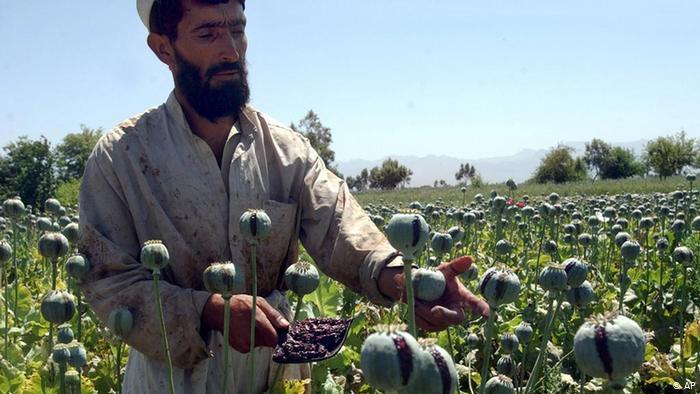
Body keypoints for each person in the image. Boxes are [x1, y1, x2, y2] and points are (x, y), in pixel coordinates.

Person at [78, 0, 490, 392]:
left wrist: (406, 281)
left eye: (237, 30)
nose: (230, 51)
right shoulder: (123, 155)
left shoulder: (286, 149)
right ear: (163, 48)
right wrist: (208, 310)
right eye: (207, 33)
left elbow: (340, 228)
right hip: (173, 377)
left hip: (279, 373)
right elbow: (108, 282)